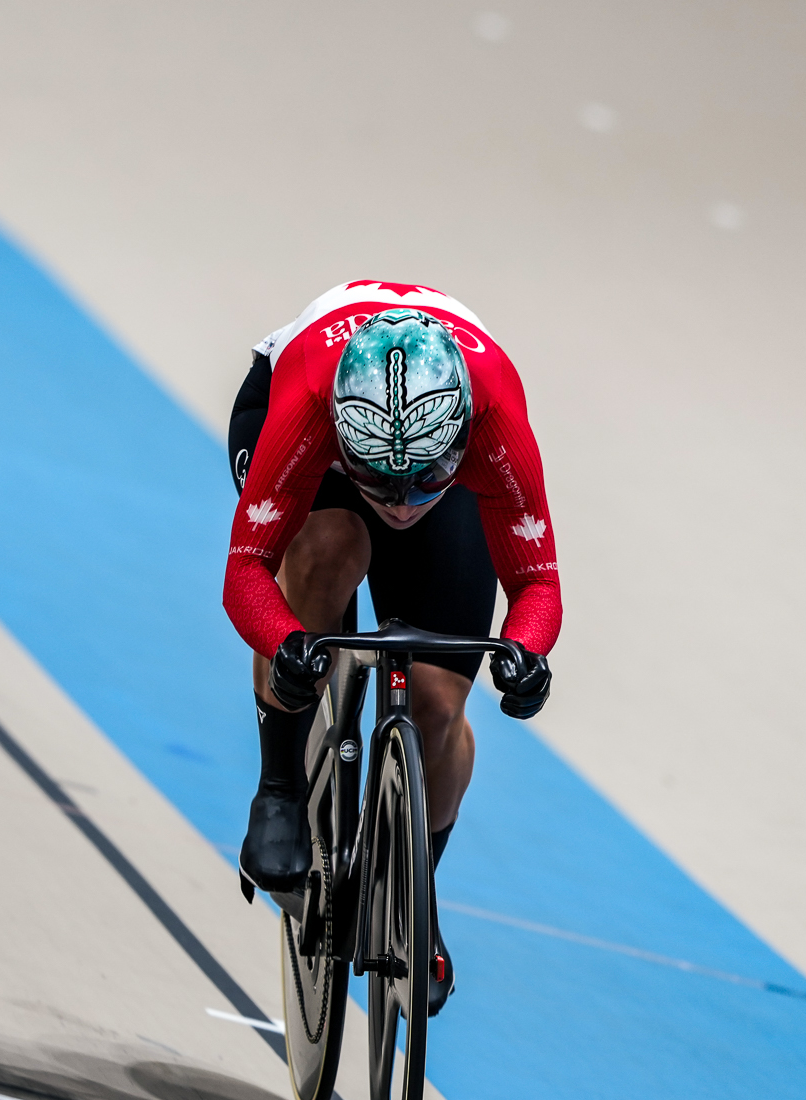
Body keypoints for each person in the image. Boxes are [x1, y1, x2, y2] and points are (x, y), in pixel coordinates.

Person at [223, 281, 559, 1015]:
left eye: (421, 483)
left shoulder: (493, 416)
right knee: (331, 547)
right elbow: (246, 572)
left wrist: (526, 654)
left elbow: (537, 583)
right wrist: (286, 642)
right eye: (384, 483)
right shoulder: (307, 405)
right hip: (308, 436)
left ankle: (414, 886)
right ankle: (279, 786)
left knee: (438, 703)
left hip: (417, 443)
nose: (402, 503)